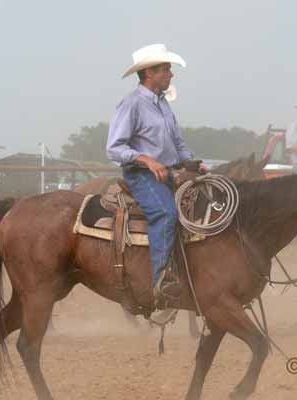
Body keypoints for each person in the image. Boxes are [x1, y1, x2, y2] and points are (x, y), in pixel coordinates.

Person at [106, 44, 196, 303]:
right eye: (166, 69)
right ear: (149, 73)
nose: (171, 74)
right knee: (166, 213)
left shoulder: (163, 104)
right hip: (142, 175)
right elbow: (114, 148)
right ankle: (162, 279)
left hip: (169, 172)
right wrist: (146, 160)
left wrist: (192, 162)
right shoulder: (131, 104)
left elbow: (177, 143)